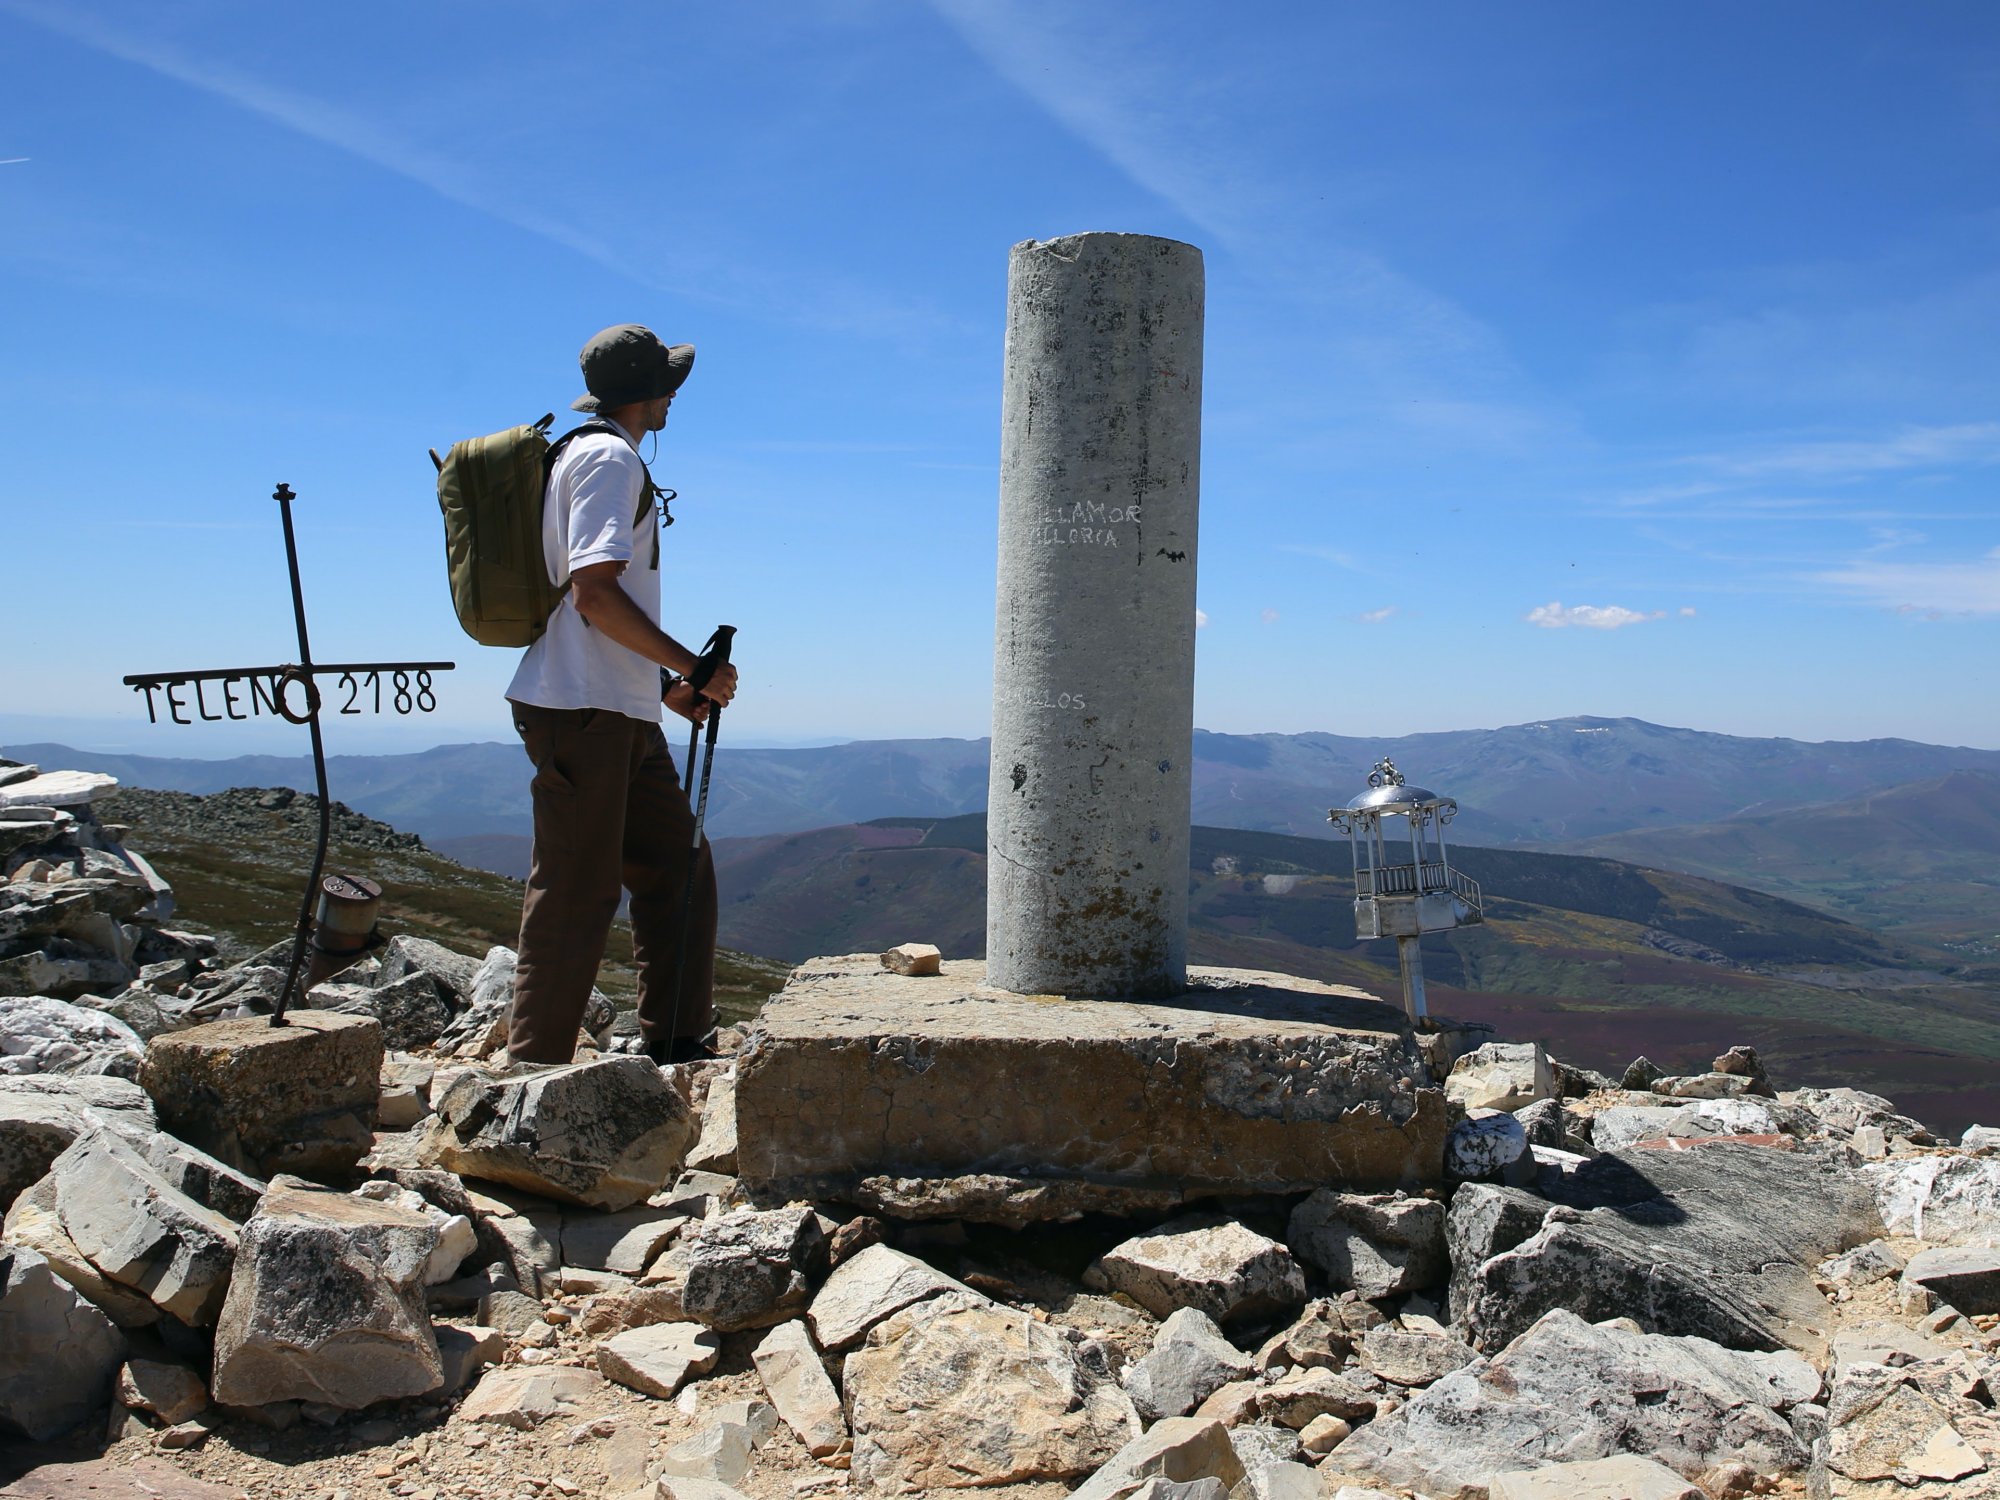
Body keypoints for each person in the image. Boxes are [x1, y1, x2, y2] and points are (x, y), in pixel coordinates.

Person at [503, 324, 738, 1066]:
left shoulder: (590, 454)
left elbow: (595, 603)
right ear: (648, 391)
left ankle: (676, 1041)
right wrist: (692, 666)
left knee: (678, 869)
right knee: (578, 888)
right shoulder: (607, 457)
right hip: (582, 710)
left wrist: (663, 684)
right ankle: (532, 1071)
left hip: (615, 707)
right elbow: (595, 595)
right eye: (668, 383)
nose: (675, 395)